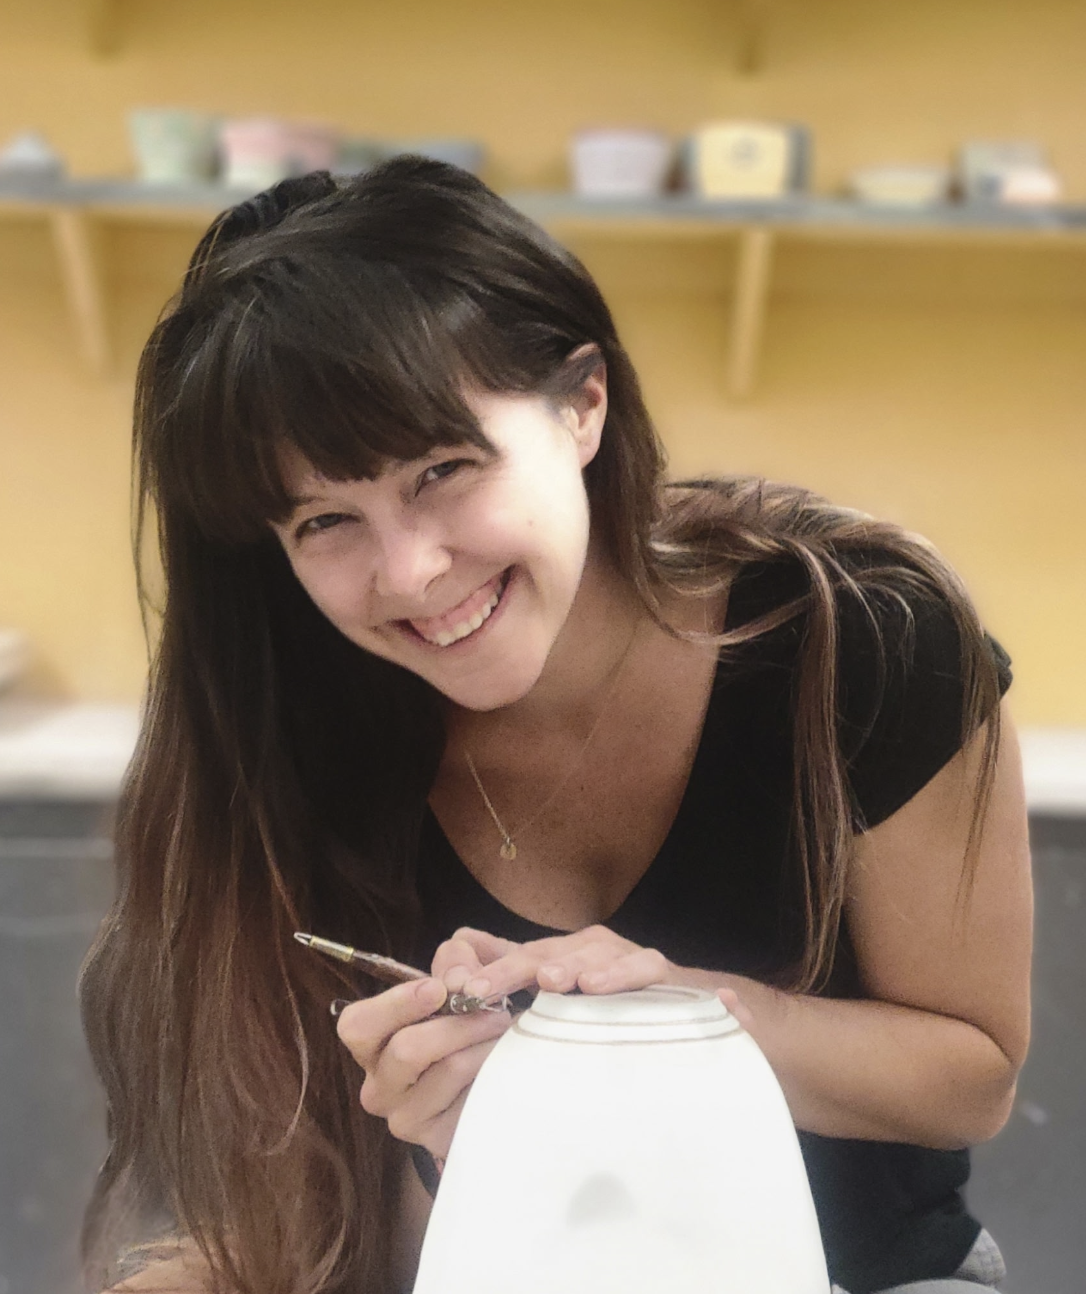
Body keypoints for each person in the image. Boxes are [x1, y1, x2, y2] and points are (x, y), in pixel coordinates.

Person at [80, 158, 1032, 1294]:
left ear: (583, 406)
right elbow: (367, 1230)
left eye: (443, 468)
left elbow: (970, 1074)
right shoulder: (303, 726)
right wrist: (449, 1138)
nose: (410, 571)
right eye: (326, 518)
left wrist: (674, 1015)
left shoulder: (861, 636)